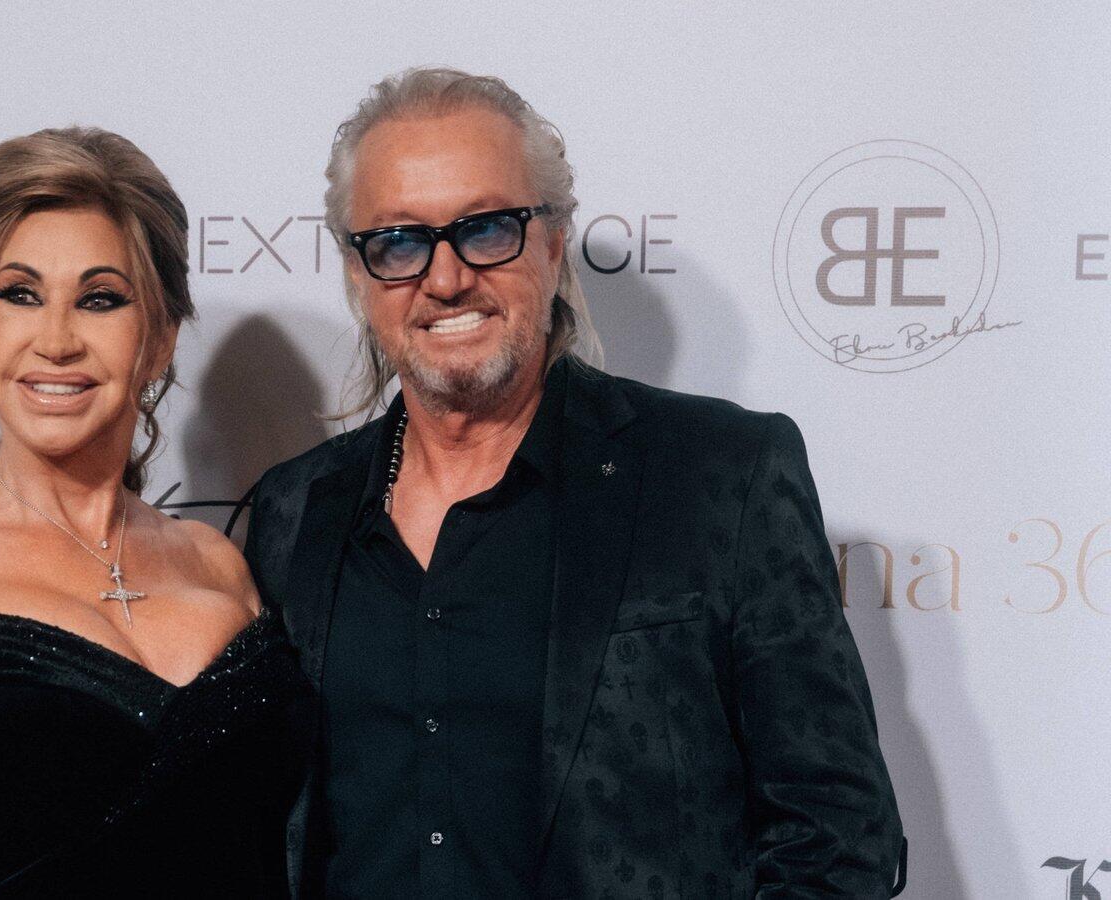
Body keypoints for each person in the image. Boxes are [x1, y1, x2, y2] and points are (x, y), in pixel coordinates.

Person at [242, 68, 907, 897]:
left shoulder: (720, 474)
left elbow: (839, 835)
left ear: (554, 242)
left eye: (487, 228)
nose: (445, 279)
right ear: (357, 274)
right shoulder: (294, 509)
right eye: (400, 243)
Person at [0, 126, 312, 897]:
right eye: (19, 294)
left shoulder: (219, 562)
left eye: (100, 300)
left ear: (160, 340)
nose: (58, 340)